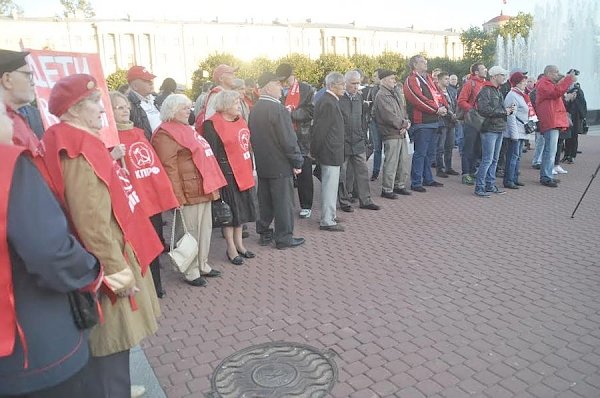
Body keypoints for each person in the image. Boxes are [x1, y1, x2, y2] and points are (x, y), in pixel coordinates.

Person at [41, 74, 162, 398]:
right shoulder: (76, 148)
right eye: (95, 103)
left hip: (108, 256)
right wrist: (117, 274)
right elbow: (91, 221)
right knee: (111, 347)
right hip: (108, 264)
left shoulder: (72, 139)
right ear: (75, 109)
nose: (102, 110)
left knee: (114, 349)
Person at [0, 93, 101, 398]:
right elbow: (50, 253)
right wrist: (92, 270)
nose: (10, 119)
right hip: (36, 350)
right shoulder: (8, 166)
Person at [109, 91, 180, 298]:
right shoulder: (109, 139)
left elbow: (153, 163)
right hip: (132, 201)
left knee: (155, 242)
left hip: (150, 198)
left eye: (126, 107)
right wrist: (112, 157)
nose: (125, 111)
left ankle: (156, 284)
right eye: (119, 107)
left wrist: (165, 192)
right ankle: (144, 285)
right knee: (137, 245)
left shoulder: (139, 133)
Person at [152, 94, 226, 286]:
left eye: (188, 107)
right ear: (172, 110)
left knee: (205, 229)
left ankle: (202, 263)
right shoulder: (164, 134)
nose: (189, 111)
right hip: (188, 190)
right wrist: (176, 197)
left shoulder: (186, 129)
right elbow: (169, 169)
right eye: (184, 108)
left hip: (202, 186)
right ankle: (190, 270)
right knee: (189, 232)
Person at [248, 72, 305, 249]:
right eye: (277, 84)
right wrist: (297, 161)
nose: (282, 87)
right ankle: (284, 237)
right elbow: (288, 140)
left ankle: (264, 232)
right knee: (283, 203)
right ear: (267, 87)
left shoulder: (255, 109)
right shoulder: (278, 109)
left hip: (263, 162)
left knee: (265, 201)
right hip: (280, 164)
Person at [126, 66, 169, 298]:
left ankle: (158, 251)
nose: (151, 83)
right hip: (141, 167)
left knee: (157, 214)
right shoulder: (131, 104)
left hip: (153, 163)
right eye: (146, 80)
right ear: (134, 84)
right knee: (148, 217)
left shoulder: (152, 102)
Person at [204, 90, 257, 265]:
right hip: (226, 173)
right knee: (230, 212)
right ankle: (231, 248)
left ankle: (240, 244)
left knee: (240, 211)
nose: (239, 106)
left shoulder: (240, 121)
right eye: (235, 103)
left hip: (243, 170)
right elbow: (211, 153)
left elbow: (246, 145)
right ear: (225, 105)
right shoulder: (212, 124)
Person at [276, 63, 316, 219]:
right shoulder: (278, 90)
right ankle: (286, 204)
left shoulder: (306, 89)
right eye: (282, 81)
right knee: (286, 172)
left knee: (304, 172)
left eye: (286, 80)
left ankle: (306, 205)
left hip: (302, 136)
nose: (284, 83)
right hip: (285, 135)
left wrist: (292, 113)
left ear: (292, 76)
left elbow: (311, 111)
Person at [403, 54, 447, 193]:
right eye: (422, 61)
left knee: (430, 153)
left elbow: (437, 94)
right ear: (415, 65)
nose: (426, 63)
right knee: (420, 153)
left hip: (434, 121)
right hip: (422, 122)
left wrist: (443, 107)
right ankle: (416, 182)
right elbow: (417, 99)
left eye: (426, 61)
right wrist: (436, 109)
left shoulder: (427, 78)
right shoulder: (412, 79)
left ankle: (428, 178)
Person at [338, 69, 380, 210]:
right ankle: (344, 201)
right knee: (342, 174)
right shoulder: (339, 98)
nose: (356, 86)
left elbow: (363, 119)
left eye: (358, 83)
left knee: (362, 171)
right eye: (353, 83)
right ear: (345, 83)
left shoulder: (359, 98)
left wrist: (363, 135)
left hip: (358, 140)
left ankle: (366, 200)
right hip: (343, 142)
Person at [311, 72, 346, 232]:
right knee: (329, 185)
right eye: (342, 84)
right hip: (330, 150)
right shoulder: (328, 102)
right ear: (332, 85)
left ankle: (329, 215)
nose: (344, 88)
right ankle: (327, 220)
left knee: (330, 185)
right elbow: (320, 130)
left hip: (330, 150)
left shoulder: (328, 100)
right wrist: (315, 150)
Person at [473, 66, 513, 197]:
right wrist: (504, 111)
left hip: (498, 127)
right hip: (490, 128)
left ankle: (489, 184)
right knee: (488, 159)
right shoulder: (486, 90)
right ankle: (480, 187)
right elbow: (484, 109)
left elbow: (489, 109)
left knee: (494, 159)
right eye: (502, 75)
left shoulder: (496, 90)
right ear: (494, 76)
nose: (504, 78)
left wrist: (505, 111)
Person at [373, 69, 412, 200]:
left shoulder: (394, 92)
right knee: (391, 161)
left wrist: (405, 123)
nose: (394, 81)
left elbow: (402, 110)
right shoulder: (381, 95)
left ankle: (399, 185)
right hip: (390, 132)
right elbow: (388, 116)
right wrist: (403, 124)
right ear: (383, 81)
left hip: (400, 131)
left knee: (403, 161)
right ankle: (387, 189)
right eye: (391, 78)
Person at [536, 65, 576, 188]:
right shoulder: (544, 83)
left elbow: (557, 93)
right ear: (549, 73)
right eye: (556, 72)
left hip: (553, 120)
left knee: (550, 150)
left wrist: (564, 81)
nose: (558, 74)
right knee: (550, 150)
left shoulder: (546, 83)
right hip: (550, 121)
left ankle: (547, 175)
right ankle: (546, 177)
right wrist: (567, 80)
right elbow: (555, 93)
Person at [0, 49, 41, 154]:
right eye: (28, 75)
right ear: (7, 79)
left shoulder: (19, 116)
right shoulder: (5, 127)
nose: (33, 82)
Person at [503, 71, 536, 189]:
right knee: (513, 156)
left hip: (521, 130)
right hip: (515, 131)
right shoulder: (512, 95)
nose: (525, 84)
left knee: (517, 156)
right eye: (523, 82)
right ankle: (509, 180)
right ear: (517, 83)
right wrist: (514, 134)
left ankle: (514, 178)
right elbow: (510, 115)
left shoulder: (521, 94)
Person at [457, 63, 488, 185]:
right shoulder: (470, 83)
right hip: (471, 121)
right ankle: (466, 173)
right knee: (468, 148)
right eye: (483, 69)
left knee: (478, 148)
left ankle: (473, 170)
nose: (485, 70)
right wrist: (472, 110)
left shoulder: (485, 83)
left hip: (482, 120)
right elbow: (461, 101)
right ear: (476, 72)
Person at [127, 65, 160, 141]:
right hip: (147, 146)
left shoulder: (155, 99)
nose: (151, 83)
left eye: (150, 80)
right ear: (135, 86)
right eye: (146, 81)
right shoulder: (128, 104)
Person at [435, 71, 459, 178]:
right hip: (442, 121)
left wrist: (456, 114)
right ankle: (440, 168)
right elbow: (439, 105)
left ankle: (448, 167)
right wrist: (451, 114)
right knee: (440, 146)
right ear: (439, 80)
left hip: (451, 122)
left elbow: (455, 104)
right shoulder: (436, 91)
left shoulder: (451, 91)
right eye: (445, 79)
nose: (448, 81)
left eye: (448, 79)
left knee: (449, 145)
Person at [564, 82, 587, 163]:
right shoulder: (568, 92)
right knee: (567, 136)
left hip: (575, 117)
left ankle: (572, 155)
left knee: (573, 136)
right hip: (568, 116)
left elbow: (581, 105)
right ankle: (567, 155)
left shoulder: (578, 91)